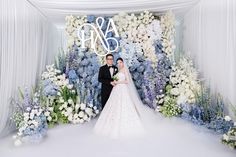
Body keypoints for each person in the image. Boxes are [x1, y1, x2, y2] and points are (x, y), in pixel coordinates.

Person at [94, 57, 145, 139]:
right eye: (117, 63)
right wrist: (114, 82)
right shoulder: (117, 70)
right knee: (114, 105)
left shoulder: (125, 70)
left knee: (124, 104)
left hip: (123, 89)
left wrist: (118, 82)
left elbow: (127, 81)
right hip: (116, 89)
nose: (119, 64)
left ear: (123, 62)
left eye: (120, 62)